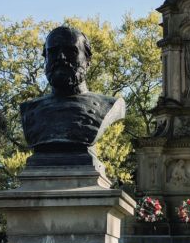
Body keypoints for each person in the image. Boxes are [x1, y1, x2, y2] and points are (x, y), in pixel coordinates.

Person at [19, 26, 125, 166]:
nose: (61, 57)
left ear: (88, 60)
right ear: (45, 59)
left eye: (70, 51)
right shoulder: (29, 110)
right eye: (53, 52)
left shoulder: (109, 105)